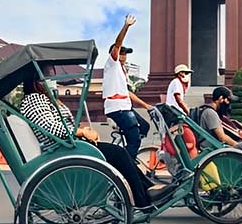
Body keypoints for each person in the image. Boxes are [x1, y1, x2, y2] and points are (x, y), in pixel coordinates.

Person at [18, 68, 163, 208]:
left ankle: (149, 190)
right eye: (48, 76)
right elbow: (50, 127)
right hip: (62, 150)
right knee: (118, 154)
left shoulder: (46, 98)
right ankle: (143, 200)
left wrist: (82, 130)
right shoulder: (34, 99)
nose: (52, 80)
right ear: (36, 81)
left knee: (119, 153)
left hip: (68, 146)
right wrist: (82, 133)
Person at [103, 15, 153, 159]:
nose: (124, 56)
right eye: (122, 53)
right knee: (135, 140)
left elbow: (128, 93)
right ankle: (127, 163)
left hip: (125, 106)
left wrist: (146, 106)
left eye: (125, 54)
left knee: (144, 127)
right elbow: (118, 44)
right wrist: (126, 26)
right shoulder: (112, 64)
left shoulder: (122, 71)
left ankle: (128, 152)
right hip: (117, 107)